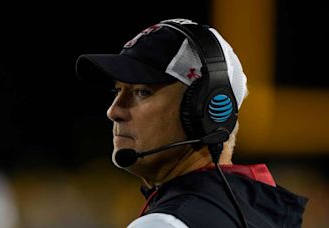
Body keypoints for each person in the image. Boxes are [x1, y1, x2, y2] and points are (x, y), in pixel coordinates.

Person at [75, 18, 308, 228]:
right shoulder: (258, 212)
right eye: (117, 90)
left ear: (204, 110)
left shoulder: (167, 223)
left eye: (142, 92)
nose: (113, 111)